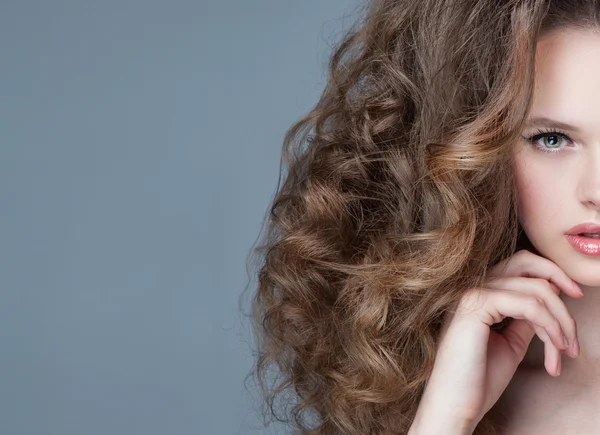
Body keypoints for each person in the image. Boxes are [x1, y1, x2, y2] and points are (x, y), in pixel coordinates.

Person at [245, 1, 600, 433]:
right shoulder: (452, 378)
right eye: (551, 139)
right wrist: (446, 418)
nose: (595, 191)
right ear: (481, 149)